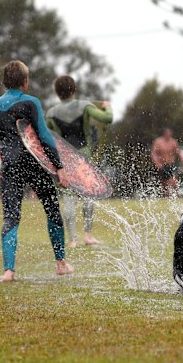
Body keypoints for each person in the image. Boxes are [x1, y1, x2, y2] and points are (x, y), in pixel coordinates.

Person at [0, 60, 74, 282]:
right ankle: (61, 263)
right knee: (52, 208)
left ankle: (8, 270)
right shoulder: (31, 102)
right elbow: (44, 137)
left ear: (5, 82)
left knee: (11, 215)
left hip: (9, 164)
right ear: (25, 82)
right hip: (34, 163)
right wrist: (59, 167)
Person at [46, 75, 113, 248]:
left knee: (68, 198)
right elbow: (107, 119)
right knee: (88, 194)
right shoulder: (85, 106)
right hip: (84, 156)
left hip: (65, 158)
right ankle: (88, 235)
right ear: (73, 89)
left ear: (57, 92)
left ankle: (72, 240)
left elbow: (47, 137)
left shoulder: (51, 113)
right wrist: (108, 108)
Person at [151, 128, 183, 197]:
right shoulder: (158, 142)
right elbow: (153, 153)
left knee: (173, 181)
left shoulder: (173, 142)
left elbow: (179, 153)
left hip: (170, 164)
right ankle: (166, 197)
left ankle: (176, 196)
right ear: (164, 133)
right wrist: (156, 163)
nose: (168, 135)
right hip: (161, 165)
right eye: (167, 133)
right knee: (164, 184)